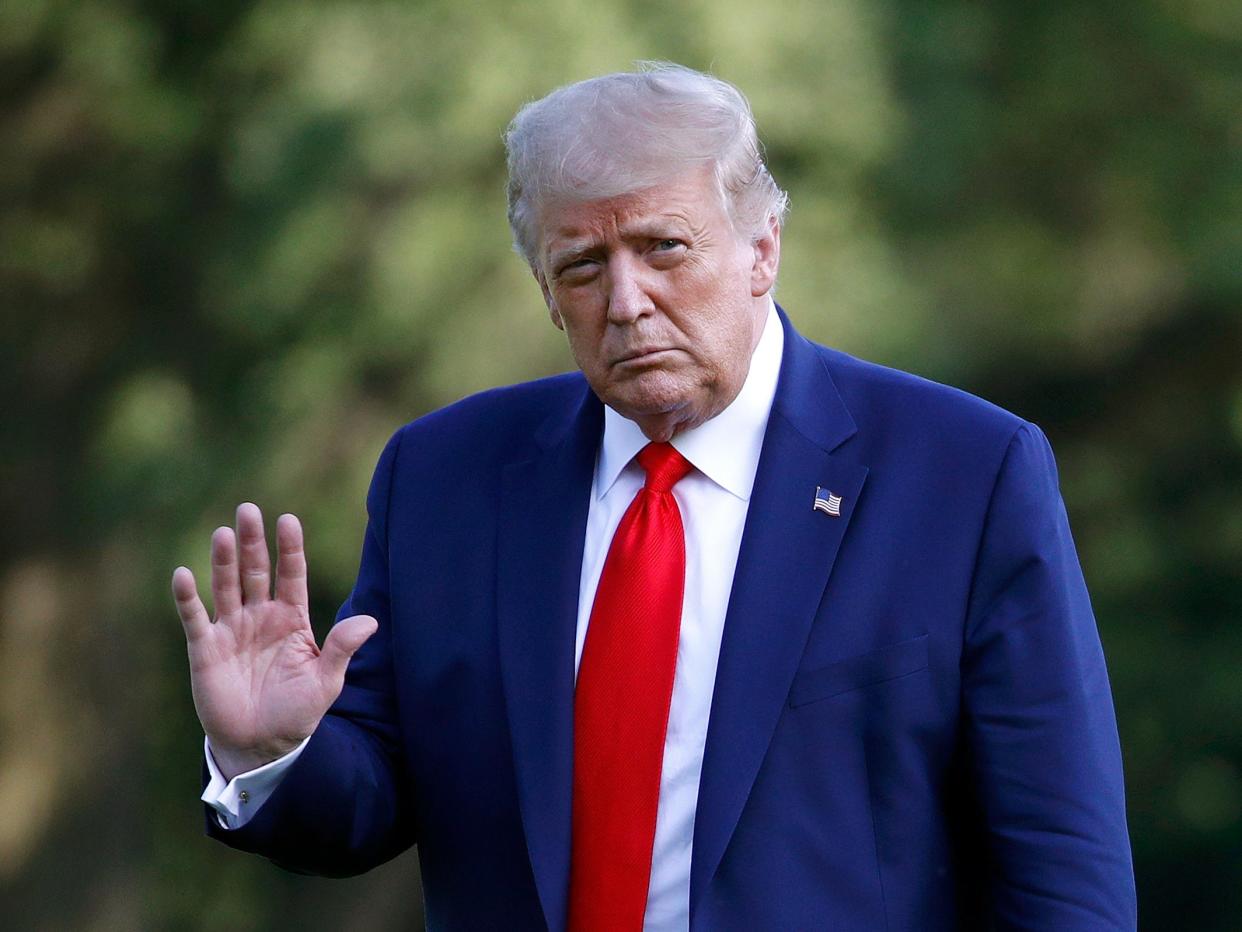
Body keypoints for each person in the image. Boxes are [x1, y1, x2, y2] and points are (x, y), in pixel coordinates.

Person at [172, 63, 1137, 930]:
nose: (625, 301)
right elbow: (364, 809)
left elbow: (1062, 867)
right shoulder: (447, 478)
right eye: (583, 267)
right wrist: (272, 752)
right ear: (549, 294)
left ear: (762, 250)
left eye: (664, 247)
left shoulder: (962, 473)